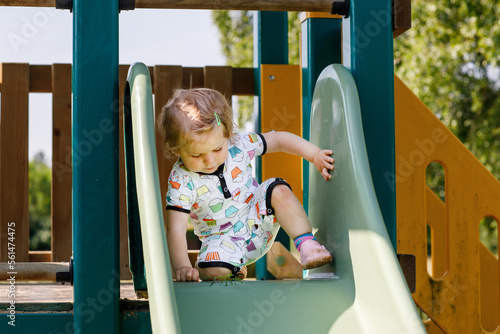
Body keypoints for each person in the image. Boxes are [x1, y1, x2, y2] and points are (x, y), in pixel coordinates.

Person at [158, 88, 334, 282]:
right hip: (221, 241)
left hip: (258, 218)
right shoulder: (181, 179)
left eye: (217, 149)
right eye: (196, 155)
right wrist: (182, 266)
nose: (209, 160)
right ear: (176, 149)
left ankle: (307, 244)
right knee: (209, 270)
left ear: (227, 135)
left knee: (278, 189)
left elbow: (279, 140)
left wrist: (315, 154)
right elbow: (176, 228)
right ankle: (233, 270)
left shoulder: (239, 145)